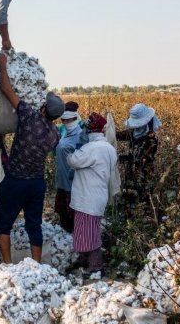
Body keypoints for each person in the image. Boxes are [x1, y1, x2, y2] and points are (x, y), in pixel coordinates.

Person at [0, 52, 63, 264]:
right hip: (36, 184)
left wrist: (3, 65)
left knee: (3, 225)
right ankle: (36, 265)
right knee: (34, 226)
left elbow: (6, 90)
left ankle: (7, 265)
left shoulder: (29, 116)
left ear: (42, 109)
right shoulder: (55, 134)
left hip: (15, 182)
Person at [66, 112, 117, 273]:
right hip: (98, 195)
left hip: (88, 198)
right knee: (88, 230)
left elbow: (73, 160)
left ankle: (95, 266)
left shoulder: (91, 148)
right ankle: (84, 260)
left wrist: (75, 148)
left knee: (88, 234)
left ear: (89, 131)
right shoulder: (108, 147)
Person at [116, 103, 162, 201]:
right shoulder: (137, 131)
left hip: (143, 174)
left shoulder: (150, 140)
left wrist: (119, 158)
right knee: (130, 195)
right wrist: (110, 133)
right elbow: (125, 135)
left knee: (141, 198)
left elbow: (138, 159)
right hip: (132, 170)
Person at [54, 102, 85, 233]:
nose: (66, 122)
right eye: (63, 120)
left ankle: (76, 240)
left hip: (73, 182)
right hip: (61, 179)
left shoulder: (81, 135)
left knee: (72, 213)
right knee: (63, 213)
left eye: (69, 119)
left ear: (75, 118)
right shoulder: (63, 131)